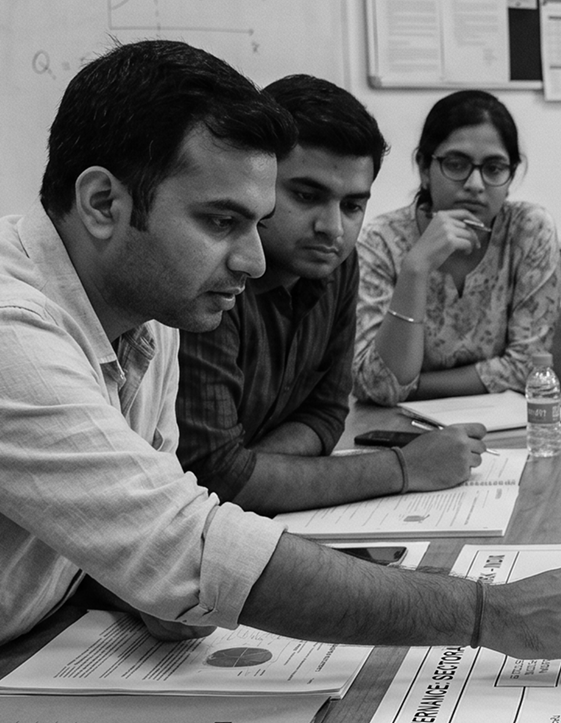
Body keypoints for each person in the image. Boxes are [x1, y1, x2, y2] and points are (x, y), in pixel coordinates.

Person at [0, 40, 561, 722]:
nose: (251, 258)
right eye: (219, 222)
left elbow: (157, 529)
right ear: (102, 201)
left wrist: (140, 586)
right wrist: (485, 611)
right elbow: (188, 539)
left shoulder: (147, 314)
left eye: (254, 219)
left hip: (3, 661)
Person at [176, 74, 486, 514]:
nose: (333, 228)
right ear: (257, 180)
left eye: (353, 205)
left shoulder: (338, 264)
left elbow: (325, 415)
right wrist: (403, 468)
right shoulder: (213, 275)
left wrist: (254, 468)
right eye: (306, 195)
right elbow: (216, 478)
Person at [352, 90, 561, 406]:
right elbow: (375, 385)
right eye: (456, 163)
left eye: (493, 168)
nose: (476, 184)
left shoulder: (528, 231)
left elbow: (526, 368)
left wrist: (410, 387)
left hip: (506, 427)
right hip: (401, 433)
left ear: (510, 177)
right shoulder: (381, 241)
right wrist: (416, 267)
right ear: (424, 168)